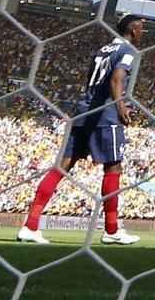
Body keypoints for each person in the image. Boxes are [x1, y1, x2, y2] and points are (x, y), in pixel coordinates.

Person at [18, 14, 144, 245]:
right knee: (113, 166)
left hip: (83, 110)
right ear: (134, 30)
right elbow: (117, 79)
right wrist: (120, 105)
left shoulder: (102, 49)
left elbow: (91, 81)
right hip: (105, 114)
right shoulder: (127, 51)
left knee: (63, 166)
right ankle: (112, 230)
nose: (143, 33)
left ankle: (30, 226)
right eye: (142, 28)